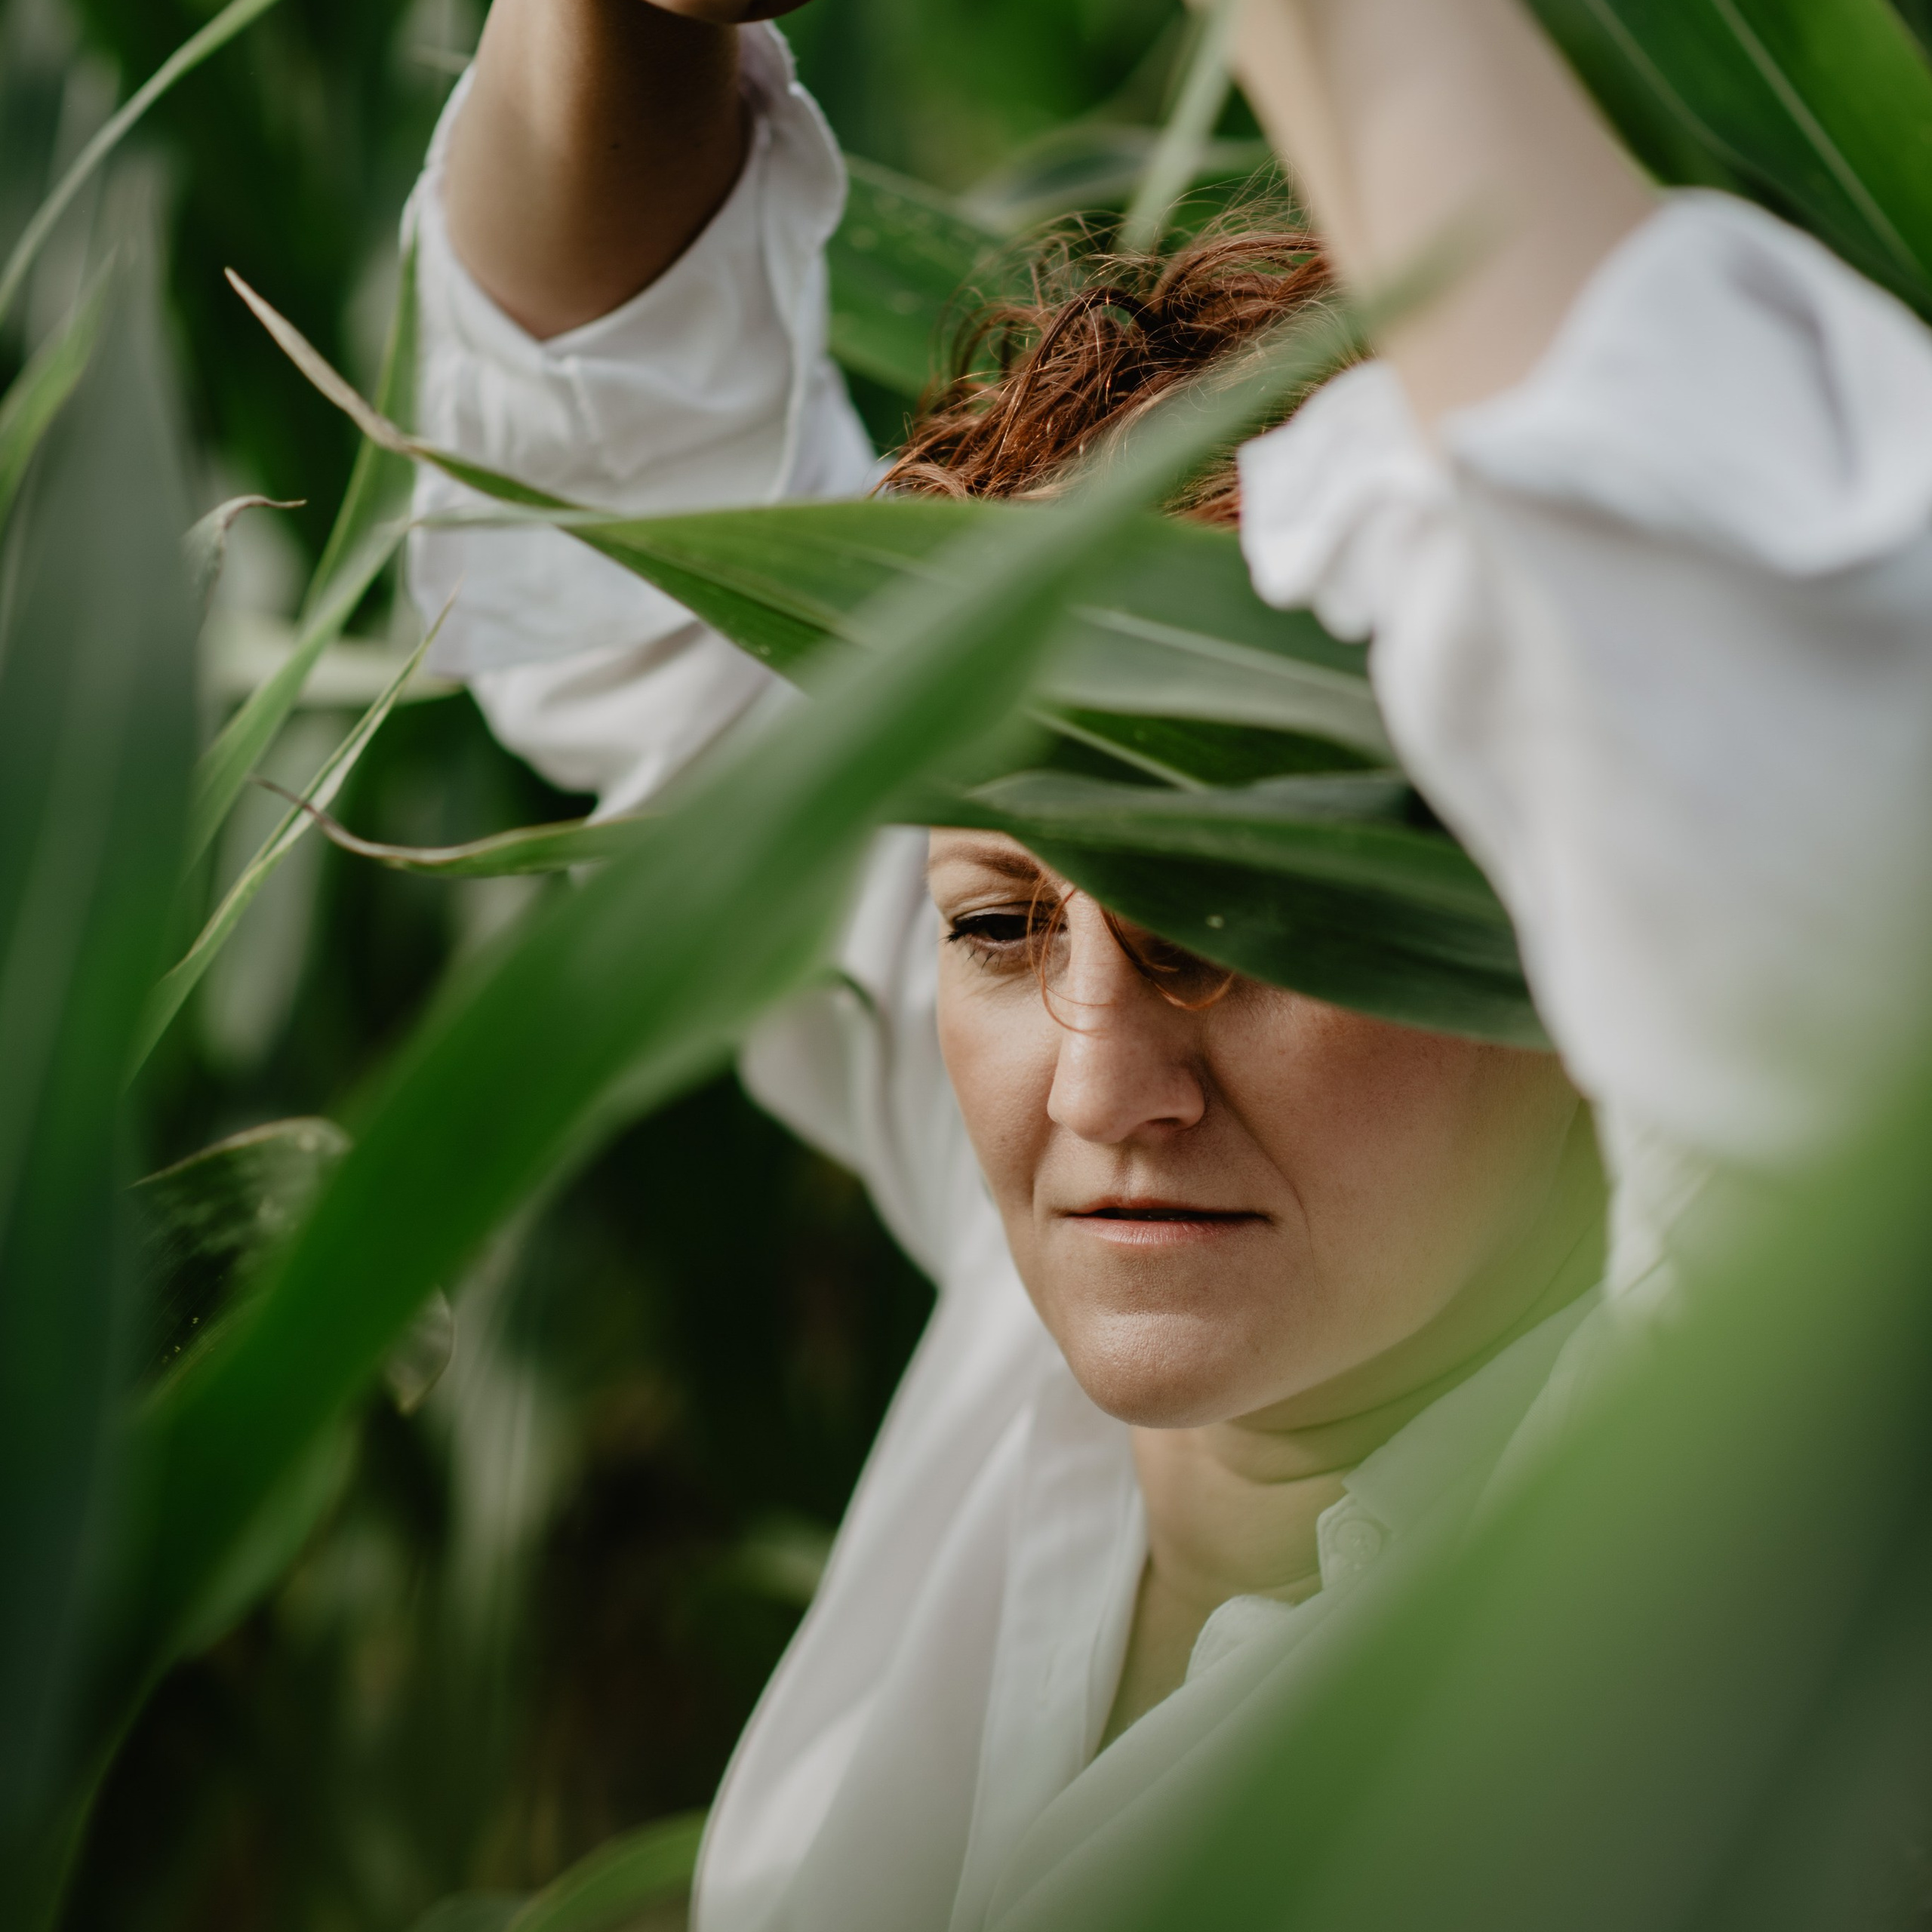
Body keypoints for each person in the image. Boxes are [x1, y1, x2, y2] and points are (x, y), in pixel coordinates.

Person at [404, 2, 1932, 1928]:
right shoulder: (1048, 1328)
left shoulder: (1745, 1491)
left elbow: (1764, 691)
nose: (1097, 1082)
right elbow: (625, 533)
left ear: (1558, 916)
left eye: (1239, 929)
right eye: (993, 922)